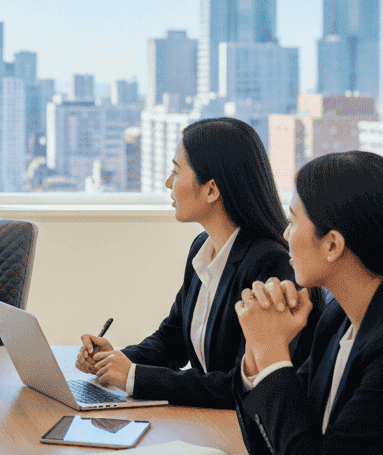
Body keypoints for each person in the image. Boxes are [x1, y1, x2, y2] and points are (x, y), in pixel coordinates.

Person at [75, 117, 316, 407]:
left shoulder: (271, 264)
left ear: (212, 190)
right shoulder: (202, 248)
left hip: (239, 431)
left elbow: (243, 382)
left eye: (176, 172)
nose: (168, 183)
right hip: (207, 422)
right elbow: (172, 339)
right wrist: (115, 360)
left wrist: (135, 377)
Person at [234, 150, 383, 455]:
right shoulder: (336, 319)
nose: (284, 235)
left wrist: (271, 352)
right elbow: (267, 446)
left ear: (332, 244)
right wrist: (257, 354)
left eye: (292, 221)